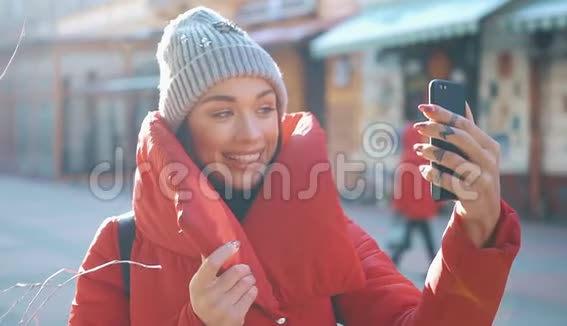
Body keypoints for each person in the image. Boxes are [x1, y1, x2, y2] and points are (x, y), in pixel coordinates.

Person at [69, 7, 521, 326]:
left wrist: (476, 227)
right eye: (223, 113)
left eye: (265, 109)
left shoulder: (327, 231)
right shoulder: (120, 248)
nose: (251, 134)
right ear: (181, 127)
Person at [388, 121, 442, 267]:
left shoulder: (406, 160)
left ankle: (394, 262)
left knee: (411, 235)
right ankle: (434, 264)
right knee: (422, 235)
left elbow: (401, 188)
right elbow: (435, 182)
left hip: (411, 207)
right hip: (424, 206)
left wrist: (397, 205)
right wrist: (438, 203)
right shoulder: (427, 157)